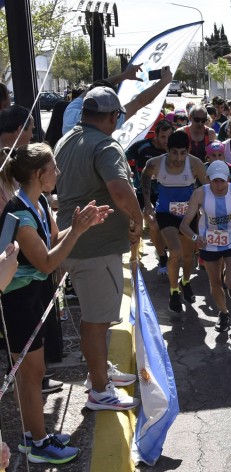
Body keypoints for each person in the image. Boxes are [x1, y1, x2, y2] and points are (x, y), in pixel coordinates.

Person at [0, 143, 112, 464]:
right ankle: (37, 443)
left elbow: (52, 240)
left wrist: (82, 226)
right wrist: (76, 232)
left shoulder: (37, 204)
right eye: (54, 168)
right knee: (31, 372)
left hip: (34, 296)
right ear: (39, 174)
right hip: (19, 300)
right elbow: (47, 262)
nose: (58, 173)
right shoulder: (20, 214)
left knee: (32, 371)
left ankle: (32, 435)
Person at [55, 86, 142, 411]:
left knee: (95, 318)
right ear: (110, 116)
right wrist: (138, 220)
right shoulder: (105, 145)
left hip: (76, 243)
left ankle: (100, 371)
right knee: (96, 321)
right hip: (96, 247)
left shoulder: (68, 139)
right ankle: (100, 391)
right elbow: (120, 190)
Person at [140, 130, 209, 312]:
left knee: (188, 258)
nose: (179, 158)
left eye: (183, 153)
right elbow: (145, 177)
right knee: (176, 251)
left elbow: (208, 188)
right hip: (166, 214)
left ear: (188, 151)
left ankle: (185, 281)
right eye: (174, 153)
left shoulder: (195, 165)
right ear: (167, 149)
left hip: (188, 216)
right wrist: (148, 204)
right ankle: (174, 291)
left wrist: (207, 212)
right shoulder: (155, 163)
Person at [180, 161, 231, 332]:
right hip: (209, 241)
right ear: (208, 179)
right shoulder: (200, 194)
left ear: (228, 179)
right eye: (215, 181)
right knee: (215, 281)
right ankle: (223, 313)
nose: (219, 185)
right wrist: (196, 237)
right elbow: (184, 225)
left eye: (222, 181)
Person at [62, 64, 173, 134]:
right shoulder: (106, 141)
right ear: (113, 118)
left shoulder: (70, 114)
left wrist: (124, 75)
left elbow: (93, 88)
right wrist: (165, 81)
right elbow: (139, 102)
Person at [126, 119, 175, 275]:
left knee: (156, 226)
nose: (166, 141)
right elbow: (123, 158)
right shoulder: (142, 146)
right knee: (134, 225)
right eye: (163, 137)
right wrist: (128, 174)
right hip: (140, 192)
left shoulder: (174, 151)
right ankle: (135, 258)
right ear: (156, 136)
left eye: (169, 137)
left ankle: (162, 256)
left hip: (162, 193)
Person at [0, 105, 34, 210]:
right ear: (20, 129)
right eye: (31, 130)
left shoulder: (12, 157)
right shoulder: (5, 162)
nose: (32, 135)